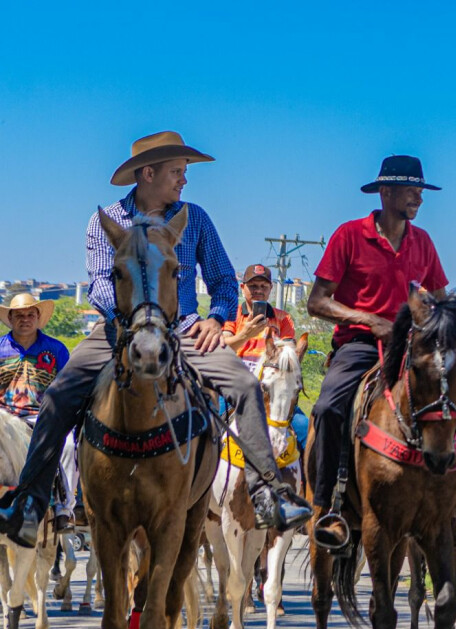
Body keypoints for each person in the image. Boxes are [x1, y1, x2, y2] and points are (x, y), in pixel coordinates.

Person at [0, 131, 310, 548]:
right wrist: (130, 325)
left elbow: (222, 281)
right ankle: (32, 501)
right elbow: (100, 285)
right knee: (57, 397)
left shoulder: (194, 219)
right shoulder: (106, 221)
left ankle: (266, 491)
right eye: (177, 172)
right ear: (148, 173)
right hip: (117, 330)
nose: (184, 180)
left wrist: (217, 319)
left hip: (183, 330)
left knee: (246, 385)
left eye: (184, 172)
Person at [307, 155, 449, 550]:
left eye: (421, 191)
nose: (419, 197)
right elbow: (316, 301)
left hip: (410, 349)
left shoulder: (423, 242)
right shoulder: (349, 235)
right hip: (360, 345)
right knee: (328, 408)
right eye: (411, 190)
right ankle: (329, 504)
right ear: (385, 192)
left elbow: (439, 301)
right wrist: (368, 320)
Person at [0, 294, 76, 531]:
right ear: (10, 318)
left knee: (70, 446)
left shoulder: (56, 350)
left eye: (30, 315)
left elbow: (69, 386)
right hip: (3, 417)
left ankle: (64, 506)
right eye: (19, 315)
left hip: (42, 417)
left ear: (38, 317)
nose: (25, 319)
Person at [223, 263, 309, 449]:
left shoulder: (283, 318)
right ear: (243, 287)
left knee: (303, 427)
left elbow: (288, 354)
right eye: (253, 286)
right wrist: (246, 334)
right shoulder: (231, 314)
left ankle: (306, 477)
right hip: (235, 384)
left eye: (263, 286)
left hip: (272, 387)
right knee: (208, 418)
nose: (258, 291)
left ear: (271, 289)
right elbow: (224, 346)